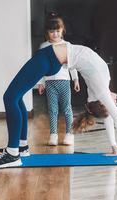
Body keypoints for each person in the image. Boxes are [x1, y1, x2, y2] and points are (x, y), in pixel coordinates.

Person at [0, 30, 117, 169]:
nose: (115, 103)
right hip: (52, 59)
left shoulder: (101, 91)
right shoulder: (96, 92)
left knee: (10, 97)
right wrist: (114, 146)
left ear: (103, 103)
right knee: (15, 97)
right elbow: (109, 118)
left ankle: (12, 154)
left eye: (112, 105)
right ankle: (22, 147)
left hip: (49, 58)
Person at [38, 12, 80, 146]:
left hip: (65, 81)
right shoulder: (43, 47)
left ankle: (69, 134)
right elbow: (40, 67)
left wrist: (75, 79)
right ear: (47, 33)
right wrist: (41, 82)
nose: (55, 34)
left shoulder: (67, 45)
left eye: (57, 31)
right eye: (52, 31)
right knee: (52, 110)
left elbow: (72, 64)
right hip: (50, 83)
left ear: (62, 31)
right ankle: (53, 135)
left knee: (67, 108)